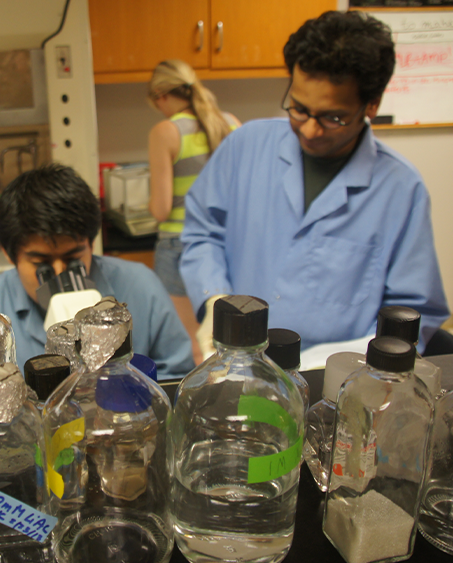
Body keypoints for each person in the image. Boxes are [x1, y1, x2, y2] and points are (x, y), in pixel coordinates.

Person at [180, 10, 449, 360]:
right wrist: (214, 299)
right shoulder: (244, 147)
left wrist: (331, 365)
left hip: (337, 383)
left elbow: (413, 314)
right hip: (238, 368)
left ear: (371, 105)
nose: (309, 129)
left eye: (332, 118)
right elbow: (202, 232)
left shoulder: (401, 189)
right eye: (299, 108)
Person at [0, 164, 195, 380]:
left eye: (73, 259)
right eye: (40, 262)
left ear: (91, 245)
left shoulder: (140, 286)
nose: (59, 273)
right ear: (8, 254)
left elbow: (177, 375)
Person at [147, 59, 240, 364]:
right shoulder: (230, 122)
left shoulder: (165, 131)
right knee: (228, 339)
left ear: (161, 96)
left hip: (178, 244)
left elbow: (160, 210)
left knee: (192, 345)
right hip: (227, 244)